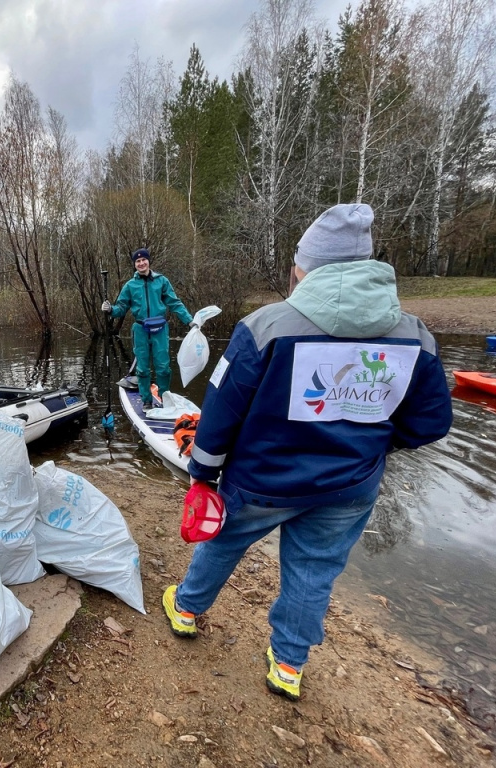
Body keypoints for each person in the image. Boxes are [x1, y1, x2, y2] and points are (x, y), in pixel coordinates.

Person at [162, 203, 452, 701]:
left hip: (261, 480)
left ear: (306, 267)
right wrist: (374, 444)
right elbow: (430, 424)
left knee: (224, 542)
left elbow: (221, 412)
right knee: (314, 570)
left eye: (297, 262)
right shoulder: (414, 335)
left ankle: (186, 610)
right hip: (348, 488)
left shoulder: (266, 326)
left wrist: (203, 473)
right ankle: (289, 665)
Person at [102, 248, 194, 409]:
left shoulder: (161, 281)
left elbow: (174, 302)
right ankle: (146, 400)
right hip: (140, 330)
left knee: (163, 367)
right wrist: (110, 309)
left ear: (148, 261)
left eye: (144, 260)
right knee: (143, 369)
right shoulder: (130, 285)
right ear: (134, 265)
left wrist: (189, 321)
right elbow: (121, 307)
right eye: (138, 261)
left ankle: (165, 398)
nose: (141, 263)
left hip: (160, 329)